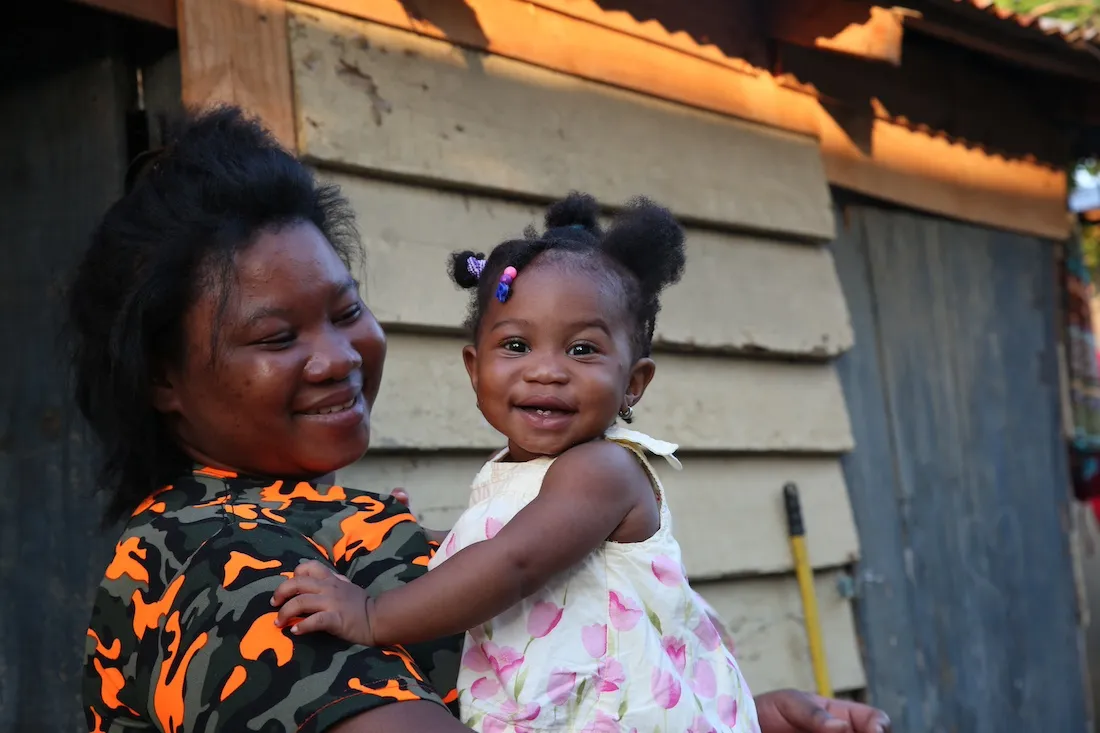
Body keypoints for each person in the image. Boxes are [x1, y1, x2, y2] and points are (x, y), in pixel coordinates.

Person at [72, 104, 891, 733]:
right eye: (278, 337)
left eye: (346, 310)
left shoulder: (352, 522)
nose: (336, 357)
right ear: (163, 378)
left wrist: (727, 711)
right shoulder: (213, 559)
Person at [272, 192, 759, 732]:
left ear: (633, 383)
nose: (545, 371)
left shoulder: (604, 470)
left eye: (582, 350)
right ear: (474, 368)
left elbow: (513, 562)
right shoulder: (519, 472)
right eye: (517, 346)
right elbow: (510, 538)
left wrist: (371, 616)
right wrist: (419, 536)